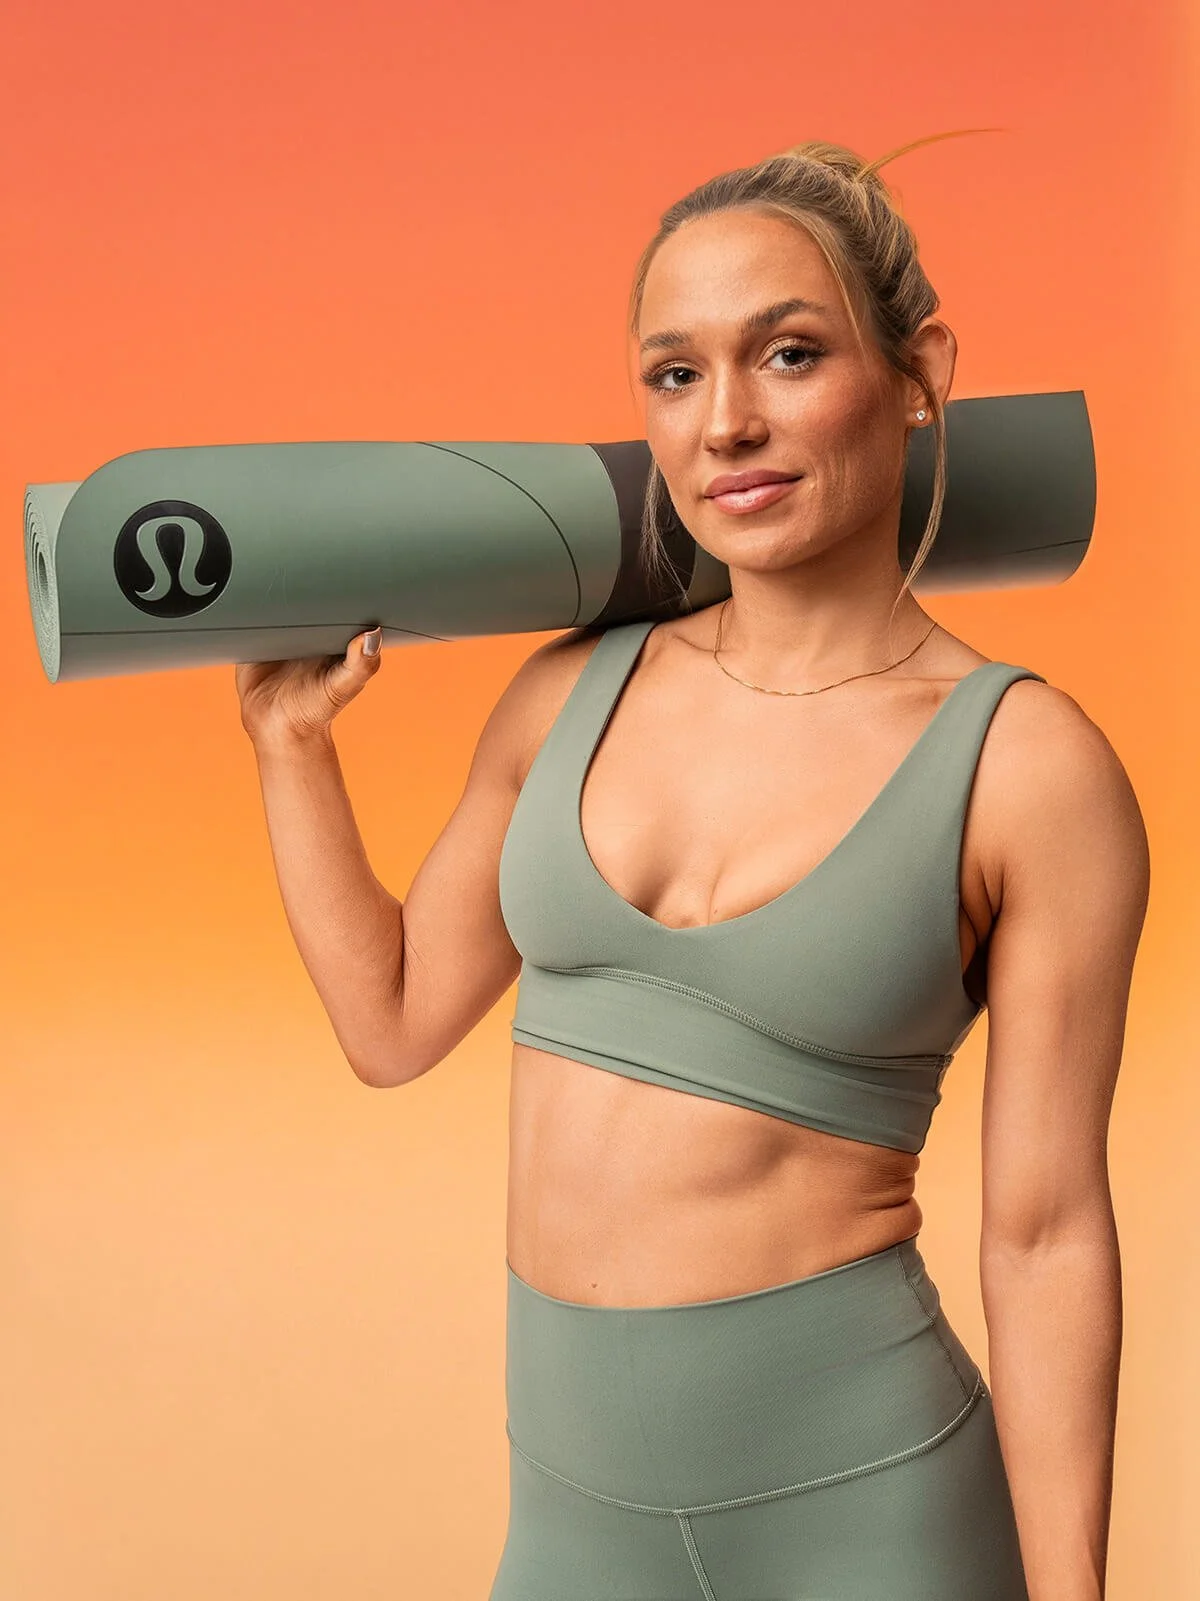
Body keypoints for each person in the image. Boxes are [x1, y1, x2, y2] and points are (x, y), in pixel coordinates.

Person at [236, 137, 1149, 1600]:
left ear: (918, 371)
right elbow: (392, 1020)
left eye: (789, 355)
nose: (727, 422)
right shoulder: (564, 692)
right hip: (572, 1524)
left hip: (875, 1514)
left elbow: (1044, 1236)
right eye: (676, 373)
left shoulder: (1029, 769)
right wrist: (294, 750)